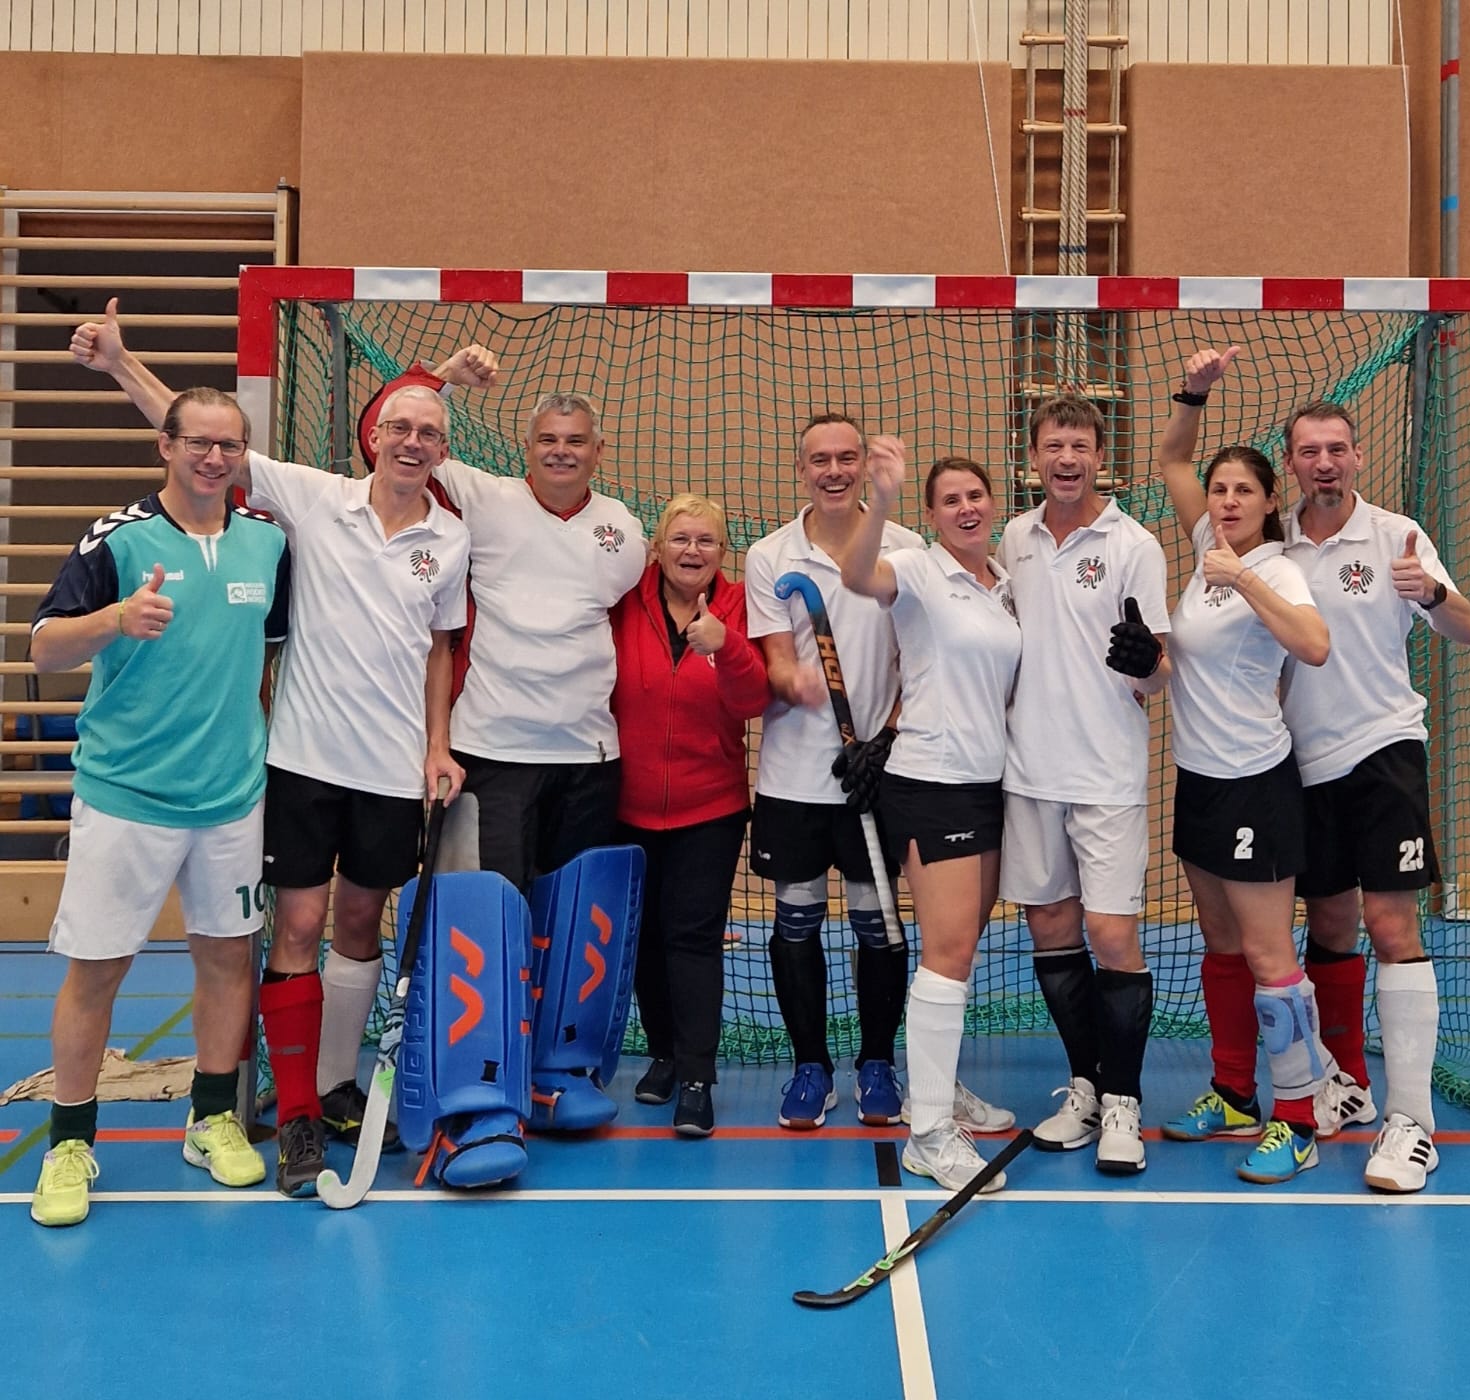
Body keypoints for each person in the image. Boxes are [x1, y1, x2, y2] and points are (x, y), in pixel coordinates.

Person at [70, 303, 471, 1197]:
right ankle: (293, 1117)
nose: (413, 443)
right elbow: (203, 443)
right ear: (374, 438)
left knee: (359, 925)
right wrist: (123, 365)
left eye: (429, 433)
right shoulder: (315, 497)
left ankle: (334, 1086)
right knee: (295, 928)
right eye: (400, 428)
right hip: (299, 762)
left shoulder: (450, 539)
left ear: (443, 451)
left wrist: (438, 745)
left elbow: (441, 648)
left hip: (391, 768)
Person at [28, 386, 291, 1226]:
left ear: (243, 455)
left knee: (227, 958)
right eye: (199, 443)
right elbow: (43, 649)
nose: (214, 458)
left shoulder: (268, 543)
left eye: (229, 445)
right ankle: (70, 1143)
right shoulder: (117, 538)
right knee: (98, 969)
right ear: (165, 447)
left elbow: (269, 659)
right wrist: (115, 617)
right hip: (127, 796)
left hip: (232, 797)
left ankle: (211, 1119)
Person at [743, 413, 1011, 1136]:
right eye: (819, 459)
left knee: (877, 922)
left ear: (863, 465)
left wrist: (885, 737)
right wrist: (796, 682)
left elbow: (914, 660)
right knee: (796, 917)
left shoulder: (907, 548)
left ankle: (877, 1064)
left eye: (846, 457)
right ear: (801, 469)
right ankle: (810, 1066)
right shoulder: (770, 555)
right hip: (794, 774)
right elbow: (775, 660)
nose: (833, 470)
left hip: (878, 777)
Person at [1275, 389, 1470, 1193]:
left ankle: (1411, 1122)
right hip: (1302, 762)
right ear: (1292, 462)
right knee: (1328, 923)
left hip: (1383, 750)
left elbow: (1465, 628)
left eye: (1337, 449)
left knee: (1392, 923)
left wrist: (1430, 592)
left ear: (1357, 455)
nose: (1325, 463)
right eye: (1310, 451)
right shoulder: (1274, 545)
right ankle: (1348, 1085)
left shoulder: (1397, 535)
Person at [356, 357, 648, 892]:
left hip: (588, 759)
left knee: (570, 923)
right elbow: (382, 435)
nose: (561, 451)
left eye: (576, 441)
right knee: (491, 918)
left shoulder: (623, 529)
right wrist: (443, 377)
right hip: (490, 754)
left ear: (598, 451)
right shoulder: (483, 497)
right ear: (527, 447)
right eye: (548, 439)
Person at [1153, 347, 1335, 1185]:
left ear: (1269, 503)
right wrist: (1193, 393)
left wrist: (1244, 579)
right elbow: (1172, 460)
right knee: (1220, 945)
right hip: (1199, 779)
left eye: (1242, 491)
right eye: (1220, 490)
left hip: (1257, 783)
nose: (1226, 501)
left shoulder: (1279, 568)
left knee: (1269, 956)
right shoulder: (1206, 542)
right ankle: (1233, 1092)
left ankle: (1297, 1117)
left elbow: (1315, 646)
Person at [840, 442, 1023, 1193]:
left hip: (988, 785)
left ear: (993, 503)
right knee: (945, 953)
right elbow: (857, 576)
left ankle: (932, 1090)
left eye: (975, 495)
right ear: (932, 515)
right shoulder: (916, 569)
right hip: (930, 782)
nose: (966, 508)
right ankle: (928, 1136)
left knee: (961, 948)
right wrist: (879, 499)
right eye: (950, 500)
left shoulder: (1003, 584)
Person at [996, 396, 1173, 1174]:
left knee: (1111, 933)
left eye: (1079, 446)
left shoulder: (1135, 545)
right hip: (1029, 770)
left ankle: (1125, 1102)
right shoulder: (1015, 538)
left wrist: (1149, 662)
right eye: (1053, 445)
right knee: (1050, 928)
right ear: (1032, 455)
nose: (1066, 458)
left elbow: (1159, 671)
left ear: (1102, 455)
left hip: (1106, 772)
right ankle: (1087, 1088)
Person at [609, 494, 770, 1137]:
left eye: (706, 541)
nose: (692, 551)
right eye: (680, 539)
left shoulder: (739, 607)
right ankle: (664, 1054)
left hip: (712, 807)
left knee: (692, 937)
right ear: (657, 547)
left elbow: (753, 699)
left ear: (722, 553)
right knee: (644, 938)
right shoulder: (625, 602)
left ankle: (698, 1078)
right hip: (627, 804)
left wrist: (726, 646)